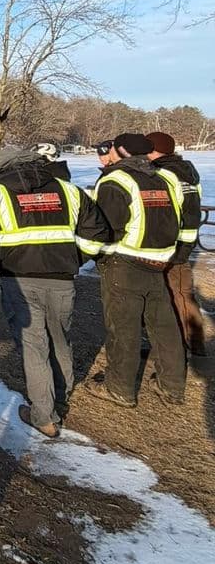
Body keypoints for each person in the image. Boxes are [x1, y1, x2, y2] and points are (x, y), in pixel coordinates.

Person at [0, 145, 110, 437]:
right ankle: (60, 395)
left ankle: (44, 416)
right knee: (60, 338)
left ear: (3, 167)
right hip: (62, 279)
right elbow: (97, 233)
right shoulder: (69, 191)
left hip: (18, 279)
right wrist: (76, 258)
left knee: (34, 346)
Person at [88, 132, 185, 408]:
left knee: (123, 327)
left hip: (125, 262)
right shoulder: (166, 178)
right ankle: (172, 385)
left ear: (119, 151)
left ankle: (119, 388)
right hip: (160, 260)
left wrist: (96, 255)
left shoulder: (116, 180)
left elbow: (105, 227)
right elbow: (177, 215)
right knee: (164, 327)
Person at [147, 131, 205, 358]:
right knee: (183, 293)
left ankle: (183, 347)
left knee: (173, 295)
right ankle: (194, 342)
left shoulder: (163, 174)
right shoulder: (188, 172)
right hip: (188, 239)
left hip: (170, 242)